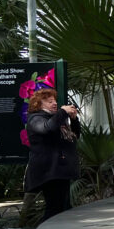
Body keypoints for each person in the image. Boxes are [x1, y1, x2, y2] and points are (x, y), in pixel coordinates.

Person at [25, 88, 80, 221]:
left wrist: (73, 119)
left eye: (55, 101)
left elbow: (75, 135)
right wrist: (62, 112)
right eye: (49, 101)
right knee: (54, 208)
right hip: (49, 172)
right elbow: (46, 128)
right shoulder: (35, 118)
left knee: (63, 207)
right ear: (39, 105)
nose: (54, 103)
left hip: (61, 171)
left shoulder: (55, 118)